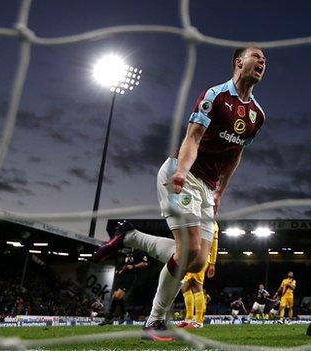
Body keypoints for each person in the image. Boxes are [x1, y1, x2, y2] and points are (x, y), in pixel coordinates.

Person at [94, 46, 266, 341]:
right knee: (186, 252)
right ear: (239, 62)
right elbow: (193, 137)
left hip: (208, 187)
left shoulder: (257, 115)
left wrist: (221, 191)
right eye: (256, 57)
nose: (262, 62)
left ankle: (130, 236)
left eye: (265, 60)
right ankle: (154, 320)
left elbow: (235, 155)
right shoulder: (214, 96)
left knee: (197, 261)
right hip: (182, 176)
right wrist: (182, 171)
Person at [175, 222, 219, 329]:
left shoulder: (212, 223)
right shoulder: (196, 219)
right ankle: (188, 319)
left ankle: (199, 321)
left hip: (201, 256)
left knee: (196, 286)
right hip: (190, 256)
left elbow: (214, 244)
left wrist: (212, 263)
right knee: (185, 286)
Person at [99, 250, 148, 325]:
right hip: (122, 276)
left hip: (130, 277)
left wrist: (134, 266)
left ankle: (109, 318)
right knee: (115, 296)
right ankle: (121, 315)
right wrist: (121, 271)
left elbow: (145, 263)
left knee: (117, 296)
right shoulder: (128, 252)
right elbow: (126, 264)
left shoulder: (140, 252)